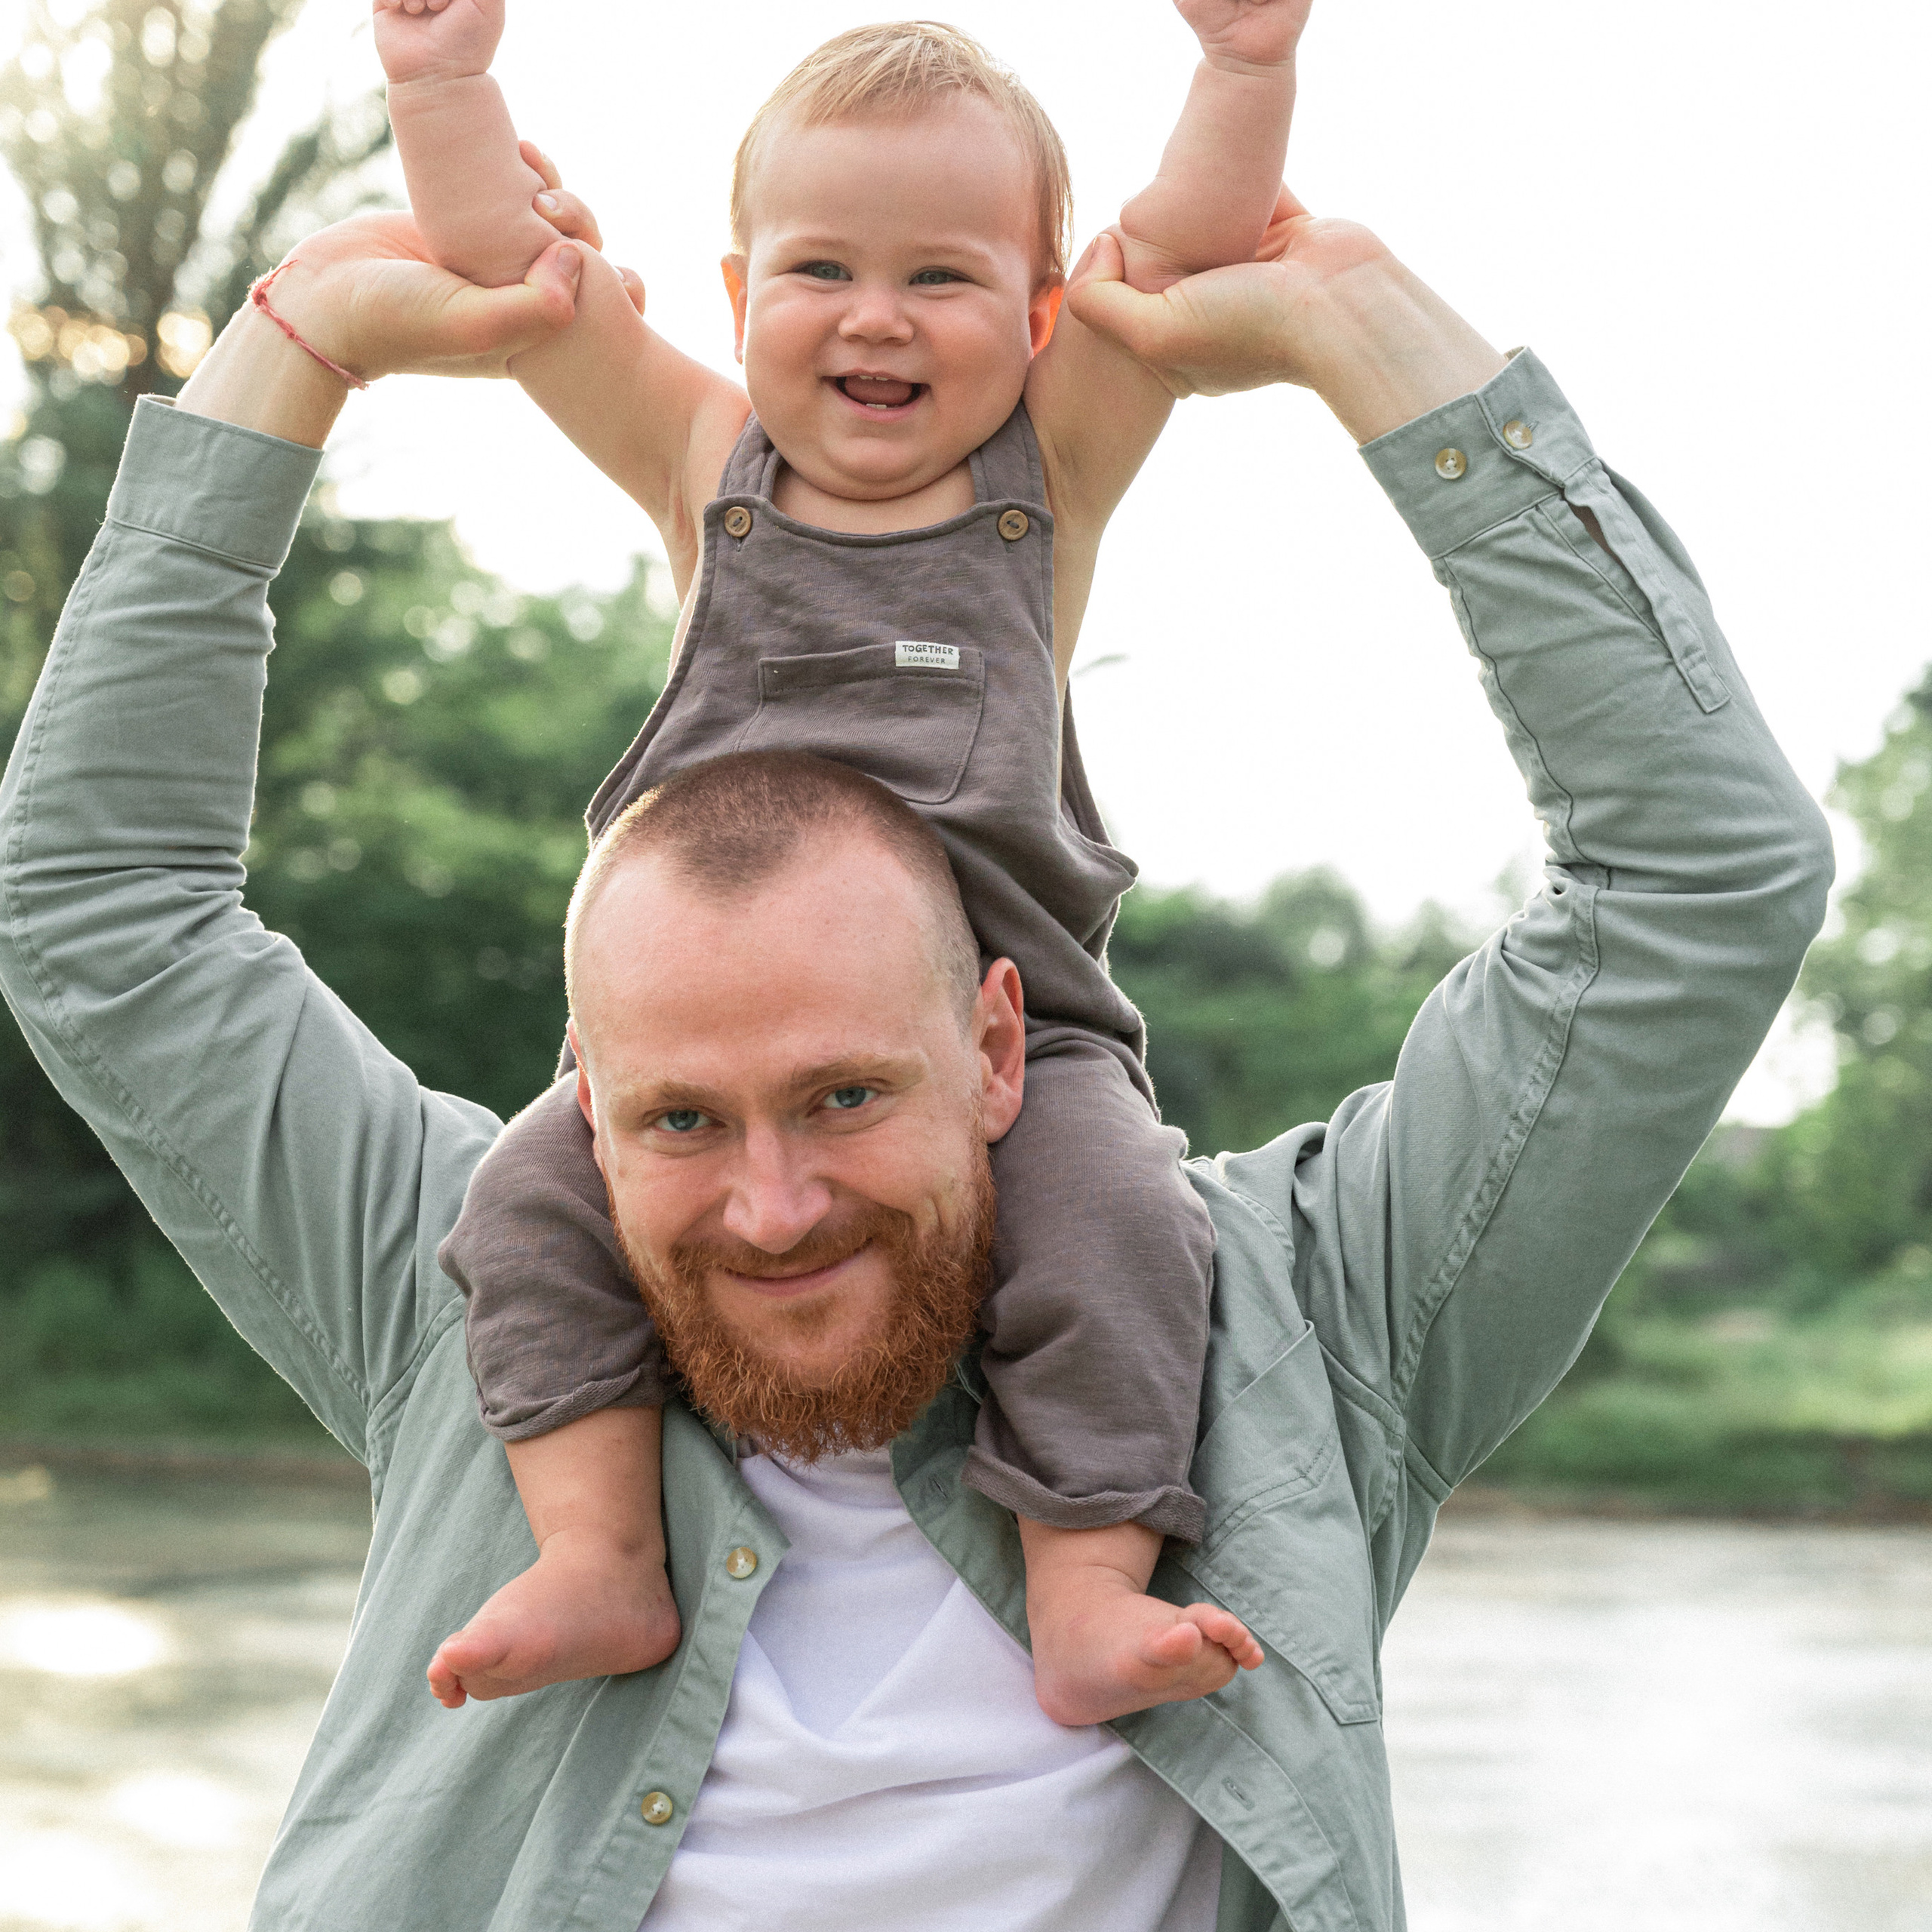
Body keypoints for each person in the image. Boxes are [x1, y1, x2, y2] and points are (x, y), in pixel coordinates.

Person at [0, 165, 1830, 1932]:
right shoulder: (465, 1293)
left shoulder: (1308, 1328)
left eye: (847, 1095)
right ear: (586, 1093)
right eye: (677, 1119)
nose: (771, 1204)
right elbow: (99, 913)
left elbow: (1698, 880)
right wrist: (288, 345)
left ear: (998, 1042)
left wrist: (1366, 333)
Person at [374, 4, 1304, 1725]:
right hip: (712, 1047)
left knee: (1119, 1224)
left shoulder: (1051, 478)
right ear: (736, 300)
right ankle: (597, 1552)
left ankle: (1086, 1585)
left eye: (942, 280)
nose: (875, 318)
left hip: (1011, 1038)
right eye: (820, 269)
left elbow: (1172, 260)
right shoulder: (701, 462)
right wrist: (443, 85)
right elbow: (518, 282)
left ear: (1032, 315)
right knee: (519, 1203)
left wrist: (1240, 70)